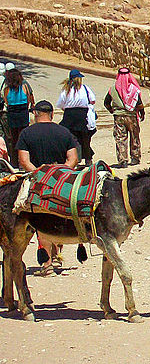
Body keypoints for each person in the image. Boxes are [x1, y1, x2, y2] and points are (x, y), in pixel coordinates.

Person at [16, 100, 79, 276]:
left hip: (38, 183)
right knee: (59, 214)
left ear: (35, 114)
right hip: (62, 181)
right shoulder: (64, 132)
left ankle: (48, 263)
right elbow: (73, 158)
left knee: (40, 219)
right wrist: (60, 172)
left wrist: (40, 173)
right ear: (52, 114)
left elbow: (23, 161)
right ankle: (56, 253)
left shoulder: (26, 133)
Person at [104, 67, 145, 167]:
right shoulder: (133, 89)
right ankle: (135, 158)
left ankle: (123, 160)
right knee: (134, 137)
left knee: (120, 138)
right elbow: (139, 103)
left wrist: (112, 110)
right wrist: (142, 113)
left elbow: (106, 102)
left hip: (119, 117)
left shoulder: (113, 89)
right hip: (131, 116)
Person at [56, 69, 96, 166]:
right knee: (85, 138)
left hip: (69, 116)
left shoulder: (66, 90)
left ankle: (74, 158)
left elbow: (60, 104)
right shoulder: (85, 89)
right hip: (83, 115)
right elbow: (93, 100)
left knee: (71, 138)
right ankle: (88, 158)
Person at [1, 62, 34, 169]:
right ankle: (23, 161)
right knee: (23, 138)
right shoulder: (24, 87)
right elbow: (29, 99)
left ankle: (14, 162)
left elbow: (6, 102)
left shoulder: (7, 90)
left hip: (12, 115)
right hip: (23, 114)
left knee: (14, 139)